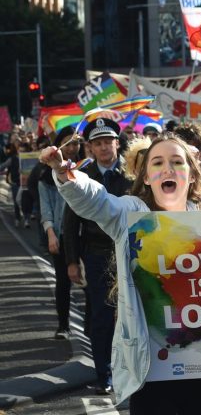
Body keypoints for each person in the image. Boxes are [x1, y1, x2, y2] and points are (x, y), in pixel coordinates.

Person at [41, 132, 201, 414]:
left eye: (177, 162)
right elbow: (98, 201)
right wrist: (67, 176)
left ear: (191, 174)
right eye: (158, 163)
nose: (168, 169)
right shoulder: (133, 214)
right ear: (147, 177)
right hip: (154, 369)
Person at [61, 118, 133, 395]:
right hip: (97, 254)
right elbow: (70, 223)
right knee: (102, 315)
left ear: (117, 142)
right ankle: (104, 374)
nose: (105, 148)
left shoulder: (132, 173)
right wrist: (71, 261)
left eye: (109, 141)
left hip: (130, 251)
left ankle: (132, 370)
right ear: (89, 147)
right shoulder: (81, 174)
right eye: (98, 143)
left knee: (133, 313)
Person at [39, 126, 82, 339]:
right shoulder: (46, 176)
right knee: (63, 281)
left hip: (84, 234)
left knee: (91, 282)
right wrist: (50, 233)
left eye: (76, 143)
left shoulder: (85, 169)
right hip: (61, 233)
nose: (72, 147)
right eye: (68, 143)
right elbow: (45, 207)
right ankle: (63, 325)